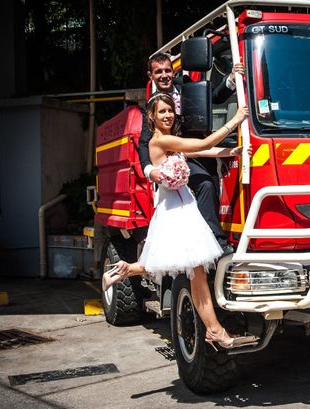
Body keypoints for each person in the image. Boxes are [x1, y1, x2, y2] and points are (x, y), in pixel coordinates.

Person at [104, 93, 255, 349]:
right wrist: (236, 120)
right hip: (176, 211)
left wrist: (234, 150)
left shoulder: (169, 141)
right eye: (162, 111)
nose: (168, 115)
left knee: (192, 270)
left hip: (183, 206)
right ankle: (215, 330)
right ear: (151, 117)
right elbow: (203, 142)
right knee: (193, 269)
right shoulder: (159, 141)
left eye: (170, 111)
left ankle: (126, 269)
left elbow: (204, 150)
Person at [139, 52, 245, 256]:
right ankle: (217, 242)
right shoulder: (152, 105)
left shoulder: (185, 84)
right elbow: (144, 142)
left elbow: (212, 98)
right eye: (158, 72)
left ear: (173, 71)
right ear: (150, 76)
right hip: (179, 151)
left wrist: (231, 79)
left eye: (167, 70)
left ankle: (209, 238)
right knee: (203, 184)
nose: (164, 75)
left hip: (199, 148)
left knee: (211, 185)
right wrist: (149, 170)